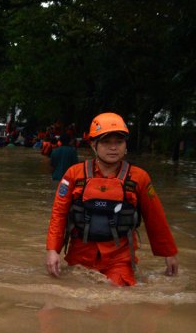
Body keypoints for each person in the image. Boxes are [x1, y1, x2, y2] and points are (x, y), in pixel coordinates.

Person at [46, 112, 179, 286]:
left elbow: (155, 217)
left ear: (125, 145)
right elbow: (59, 214)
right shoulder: (74, 174)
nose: (113, 148)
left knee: (114, 305)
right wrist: (52, 250)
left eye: (119, 142)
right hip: (79, 255)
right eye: (106, 142)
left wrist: (169, 253)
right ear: (93, 144)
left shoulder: (139, 178)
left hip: (120, 259)